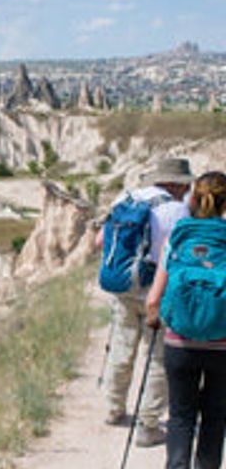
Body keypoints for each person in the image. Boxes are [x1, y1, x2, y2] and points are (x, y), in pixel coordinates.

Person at [97, 158, 193, 447]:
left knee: (122, 346)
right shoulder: (177, 210)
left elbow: (101, 240)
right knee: (158, 357)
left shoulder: (127, 198)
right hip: (156, 291)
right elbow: (178, 253)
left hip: (124, 287)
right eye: (184, 185)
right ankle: (148, 425)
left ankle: (114, 409)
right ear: (176, 184)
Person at [146, 171, 226, 469]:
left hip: (180, 343)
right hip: (223, 345)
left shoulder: (178, 236)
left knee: (180, 416)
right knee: (215, 418)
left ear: (193, 198)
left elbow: (154, 298)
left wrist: (155, 320)